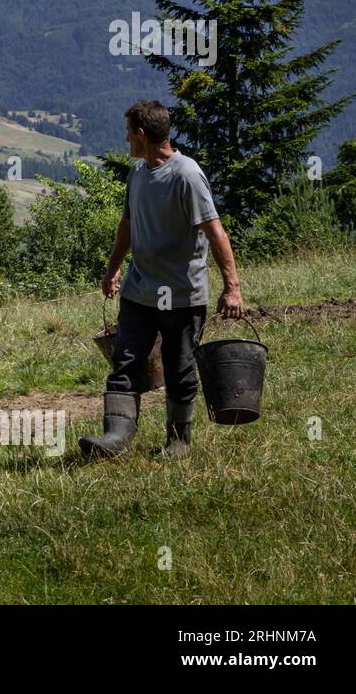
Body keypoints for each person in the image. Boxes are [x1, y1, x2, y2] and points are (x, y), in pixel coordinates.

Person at [79, 99, 244, 459]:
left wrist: (232, 287)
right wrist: (112, 268)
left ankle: (178, 441)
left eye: (129, 134)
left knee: (179, 367)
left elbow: (216, 232)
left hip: (182, 295)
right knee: (125, 362)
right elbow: (126, 227)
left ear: (141, 134)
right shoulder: (137, 174)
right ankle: (116, 440)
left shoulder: (187, 175)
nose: (126, 140)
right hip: (139, 291)